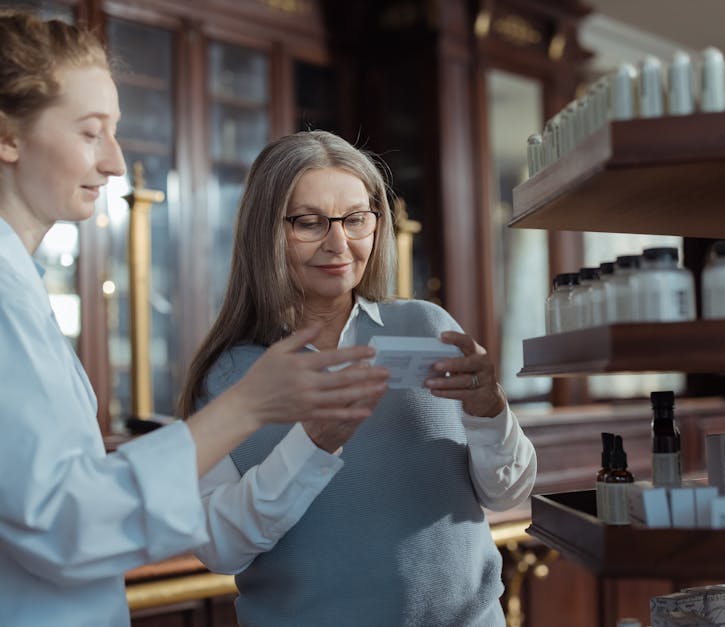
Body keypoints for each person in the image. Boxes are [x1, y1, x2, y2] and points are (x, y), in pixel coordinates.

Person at [0, 12, 389, 626]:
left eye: (116, 132)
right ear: (8, 136)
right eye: (90, 132)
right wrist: (246, 407)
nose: (115, 163)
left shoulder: (19, 288)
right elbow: (63, 524)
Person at [179, 129, 537, 626]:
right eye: (309, 223)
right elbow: (219, 548)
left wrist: (489, 412)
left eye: (355, 220)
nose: (338, 243)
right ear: (264, 232)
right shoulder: (226, 376)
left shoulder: (429, 327)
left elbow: (508, 492)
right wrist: (311, 447)